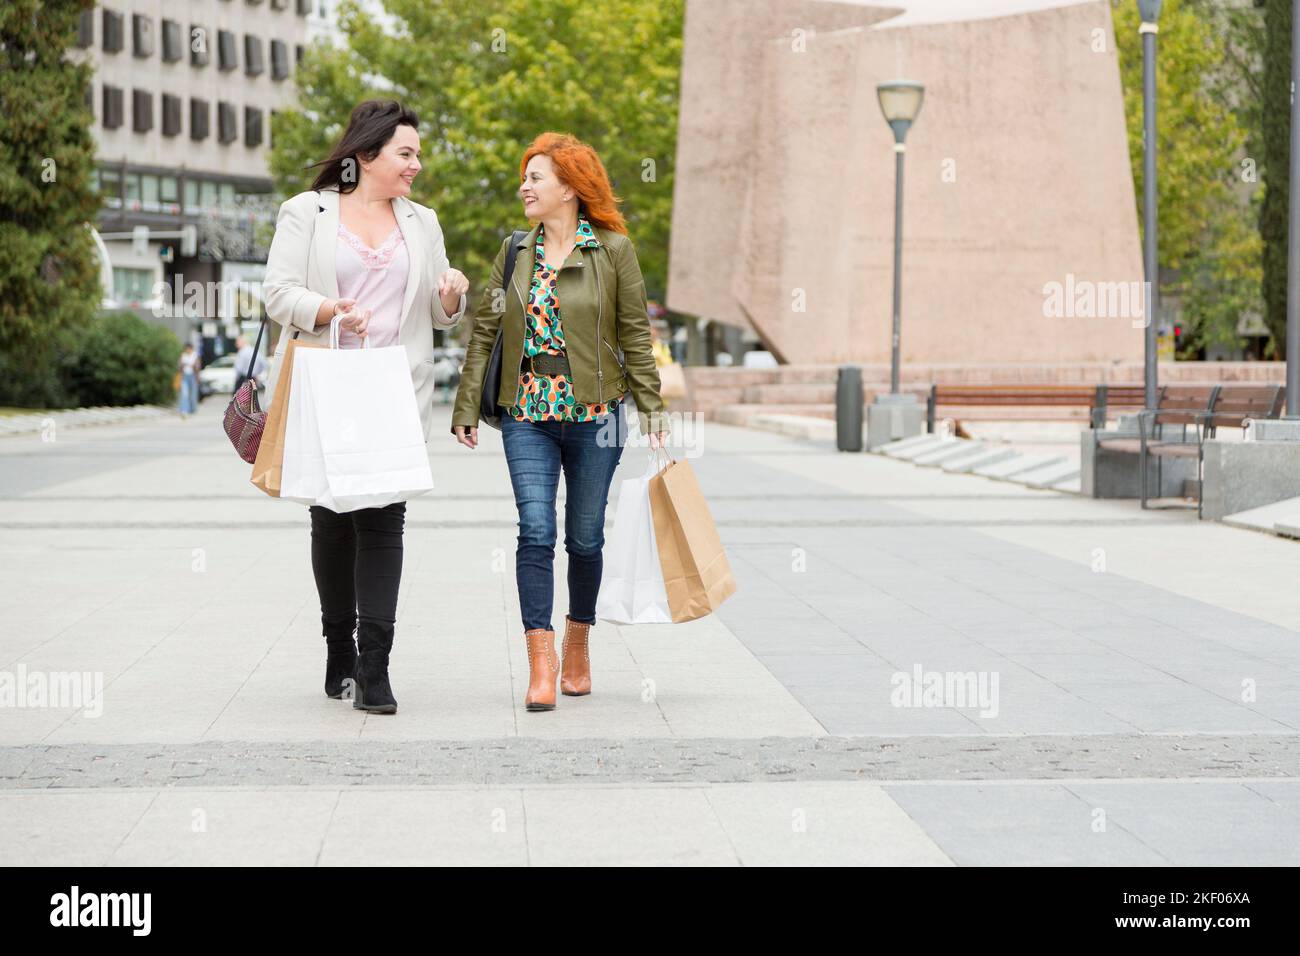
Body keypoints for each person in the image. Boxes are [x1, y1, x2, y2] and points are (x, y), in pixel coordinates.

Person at [261, 99, 469, 715]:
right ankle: (338, 649)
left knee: (384, 519)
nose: (416, 165)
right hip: (326, 382)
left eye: (417, 155)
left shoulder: (422, 221)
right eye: (406, 154)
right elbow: (277, 293)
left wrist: (452, 294)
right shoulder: (308, 211)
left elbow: (434, 312)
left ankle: (375, 668)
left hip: (392, 387)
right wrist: (329, 310)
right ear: (367, 155)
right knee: (332, 519)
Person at [451, 132, 669, 713]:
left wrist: (653, 412)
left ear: (570, 187)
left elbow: (635, 338)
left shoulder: (614, 251)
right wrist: (467, 403)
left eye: (536, 177)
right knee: (536, 532)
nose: (524, 186)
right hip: (528, 412)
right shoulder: (514, 250)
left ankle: (578, 644)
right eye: (524, 177)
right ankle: (541, 665)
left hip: (597, 415)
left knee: (586, 538)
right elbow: (487, 332)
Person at [177, 344, 200, 415]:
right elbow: (179, 366)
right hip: (185, 376)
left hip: (193, 376)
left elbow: (198, 366)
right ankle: (184, 409)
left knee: (193, 394)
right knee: (185, 393)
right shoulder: (183, 355)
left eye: (189, 349)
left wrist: (193, 365)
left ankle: (192, 409)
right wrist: (183, 364)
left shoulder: (195, 355)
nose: (188, 350)